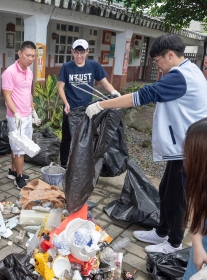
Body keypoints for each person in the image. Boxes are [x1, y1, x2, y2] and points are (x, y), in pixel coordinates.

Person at [86, 33, 207, 254]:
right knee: (165, 189)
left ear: (170, 55)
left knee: (177, 196)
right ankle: (161, 231)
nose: (158, 66)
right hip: (181, 145)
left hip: (191, 149)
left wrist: (102, 105)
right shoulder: (188, 71)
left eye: (158, 61)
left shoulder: (180, 76)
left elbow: (140, 97)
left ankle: (174, 243)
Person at [58, 39, 120, 169]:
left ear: (87, 52)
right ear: (72, 52)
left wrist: (115, 93)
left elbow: (105, 83)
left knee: (86, 137)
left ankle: (81, 164)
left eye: (82, 52)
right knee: (67, 138)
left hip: (88, 110)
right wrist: (66, 103)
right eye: (76, 52)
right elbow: (60, 87)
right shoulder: (67, 67)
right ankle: (64, 164)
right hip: (70, 109)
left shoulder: (93, 65)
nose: (79, 56)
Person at [2, 41, 41, 190]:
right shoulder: (10, 72)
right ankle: (19, 177)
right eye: (27, 55)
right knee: (20, 148)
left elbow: (28, 93)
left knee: (16, 144)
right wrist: (16, 113)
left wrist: (33, 111)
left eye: (33, 56)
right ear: (19, 53)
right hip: (15, 117)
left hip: (26, 115)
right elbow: (7, 96)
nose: (30, 59)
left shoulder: (29, 71)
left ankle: (13, 171)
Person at [182, 118, 207, 279]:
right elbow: (195, 200)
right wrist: (197, 244)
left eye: (188, 153)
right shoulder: (198, 178)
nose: (184, 157)